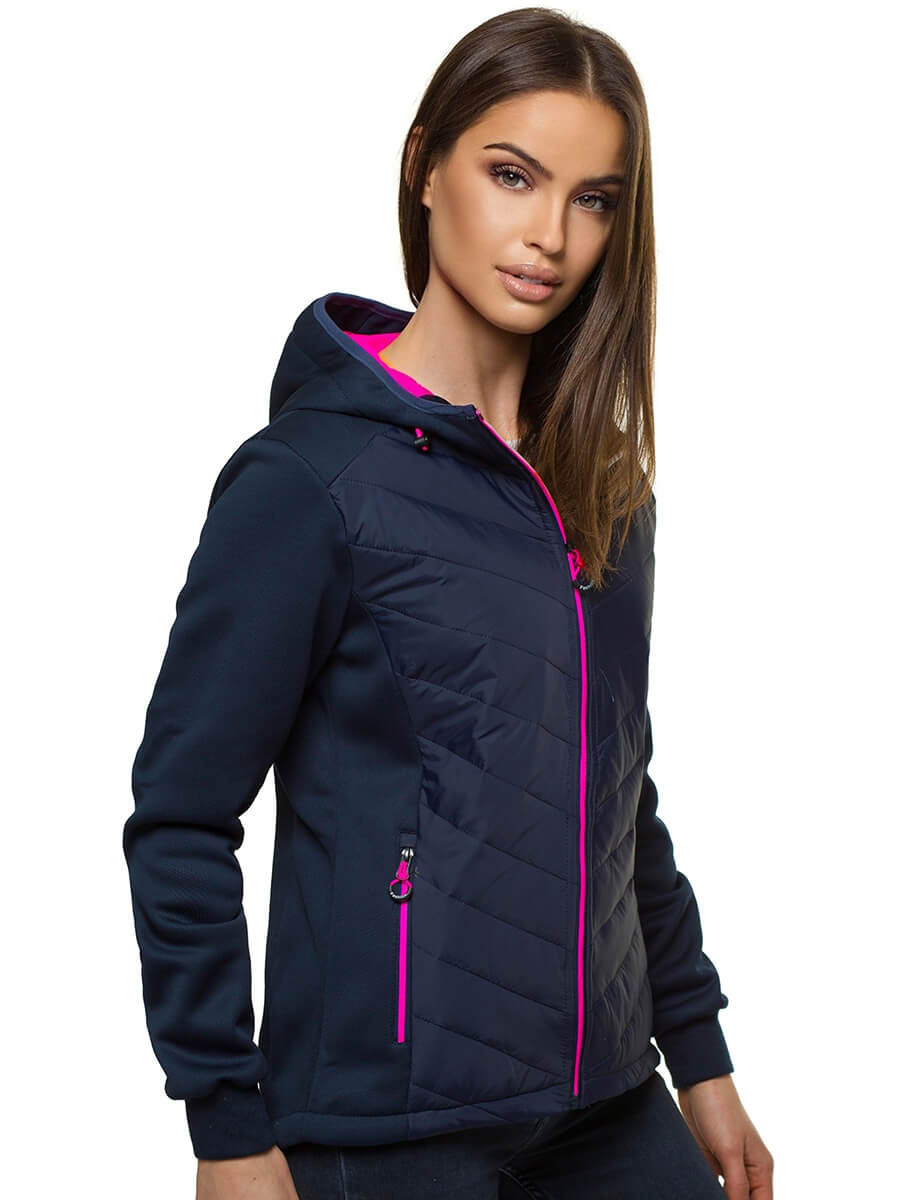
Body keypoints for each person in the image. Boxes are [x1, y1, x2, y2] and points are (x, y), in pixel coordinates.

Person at [122, 8, 774, 1199]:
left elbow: (616, 789)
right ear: (426, 166)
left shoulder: (607, 492)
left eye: (593, 199)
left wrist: (703, 1055)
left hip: (608, 1099)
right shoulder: (307, 483)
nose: (549, 236)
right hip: (386, 1123)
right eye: (512, 175)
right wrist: (225, 1126)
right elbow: (180, 815)